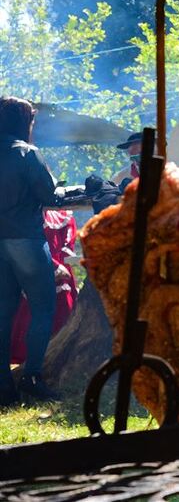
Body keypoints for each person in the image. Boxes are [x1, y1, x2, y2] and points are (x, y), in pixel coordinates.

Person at [0, 96, 62, 405]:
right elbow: (48, 194)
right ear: (26, 123)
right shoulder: (27, 153)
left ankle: (3, 386)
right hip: (25, 238)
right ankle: (32, 376)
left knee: (2, 313)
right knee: (43, 307)